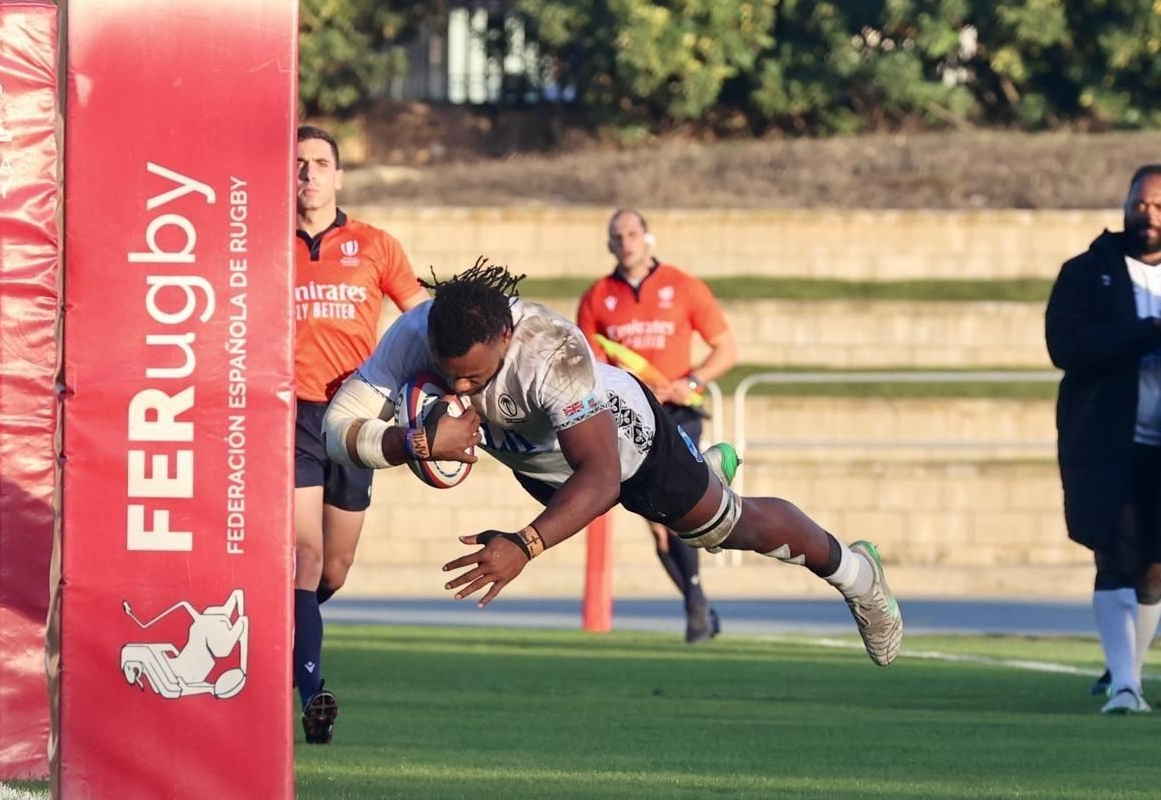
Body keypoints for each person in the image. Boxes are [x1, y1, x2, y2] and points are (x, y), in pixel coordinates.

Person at [322, 258, 903, 666]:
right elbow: (335, 429)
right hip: (543, 467)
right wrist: (412, 445)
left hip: (626, 446)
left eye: (474, 375)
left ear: (504, 335)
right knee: (622, 506)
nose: (460, 386)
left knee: (727, 528)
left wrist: (523, 545)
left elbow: (600, 479)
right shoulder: (414, 334)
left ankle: (858, 575)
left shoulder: (552, 349)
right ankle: (706, 467)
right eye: (450, 374)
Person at [292, 124, 428, 742]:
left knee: (335, 569)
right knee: (305, 556)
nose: (308, 174)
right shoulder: (259, 242)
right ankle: (311, 693)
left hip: (355, 415)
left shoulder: (374, 245)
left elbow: (422, 320)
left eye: (320, 163)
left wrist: (431, 392)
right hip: (287, 414)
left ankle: (282, 638)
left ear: (339, 176)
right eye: (298, 163)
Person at [577, 209, 738, 642]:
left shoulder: (683, 287)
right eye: (617, 235)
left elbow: (726, 349)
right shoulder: (597, 298)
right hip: (630, 418)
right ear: (609, 244)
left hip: (679, 415)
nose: (626, 241)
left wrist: (693, 381)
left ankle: (696, 607)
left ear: (648, 237)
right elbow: (587, 369)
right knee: (658, 523)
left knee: (680, 511)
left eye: (632, 233)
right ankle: (697, 602)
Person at [1046, 164, 1161, 715]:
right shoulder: (1088, 273)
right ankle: (1125, 686)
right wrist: (1146, 334)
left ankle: (1128, 674)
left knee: (1155, 565)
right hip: (1107, 442)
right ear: (1125, 204)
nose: (1149, 216)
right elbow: (1066, 347)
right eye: (1141, 204)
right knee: (1115, 553)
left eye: (1160, 207)